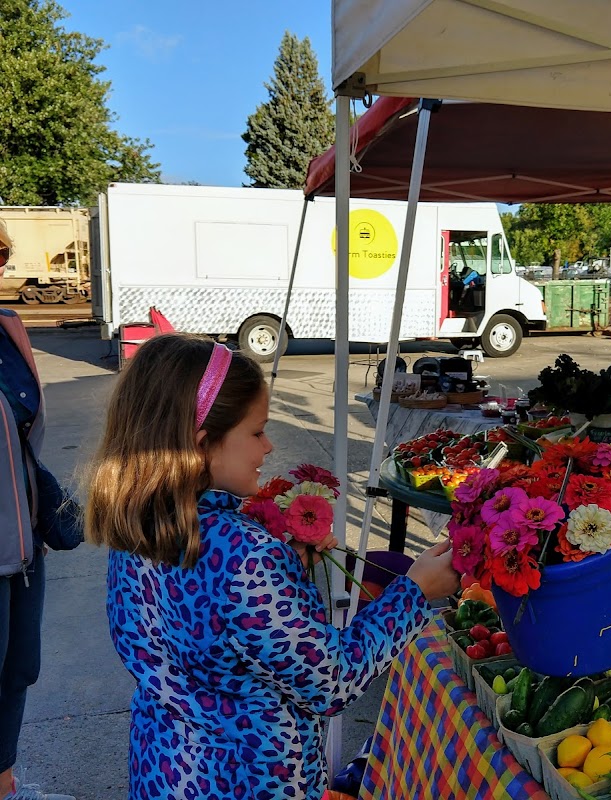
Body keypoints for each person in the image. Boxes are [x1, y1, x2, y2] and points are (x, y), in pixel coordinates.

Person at [84, 333, 458, 800]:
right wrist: (416, 591)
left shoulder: (140, 526)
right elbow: (331, 680)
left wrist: (285, 576)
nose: (268, 446)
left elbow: (209, 639)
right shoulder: (243, 553)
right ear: (202, 444)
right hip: (251, 779)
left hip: (164, 768)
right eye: (257, 431)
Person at [0, 220, 76, 800]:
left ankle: (4, 780)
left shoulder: (8, 329)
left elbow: (23, 438)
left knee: (18, 669)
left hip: (22, 547)